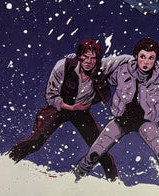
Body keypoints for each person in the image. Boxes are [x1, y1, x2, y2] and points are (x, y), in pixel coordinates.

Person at [72, 39, 159, 190]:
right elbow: (106, 76)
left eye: (151, 58)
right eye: (142, 56)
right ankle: (73, 180)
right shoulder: (122, 71)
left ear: (155, 60)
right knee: (95, 152)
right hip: (121, 120)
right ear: (136, 56)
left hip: (146, 122)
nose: (146, 62)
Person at [8, 39, 126, 180]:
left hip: (81, 112)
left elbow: (125, 59)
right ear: (79, 56)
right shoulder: (62, 66)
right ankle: (6, 163)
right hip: (58, 109)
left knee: (99, 149)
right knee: (35, 142)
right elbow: (50, 96)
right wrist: (71, 107)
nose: (89, 61)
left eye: (93, 58)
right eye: (85, 57)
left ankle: (113, 181)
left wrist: (150, 64)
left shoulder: (102, 65)